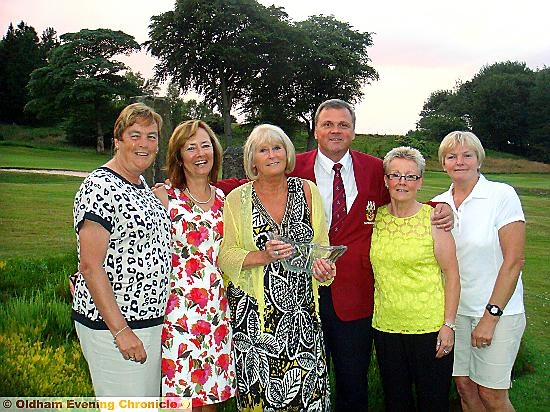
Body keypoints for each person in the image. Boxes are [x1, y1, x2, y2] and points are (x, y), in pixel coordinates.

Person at [288, 99, 454, 411]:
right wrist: (185, 185)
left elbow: (403, 198)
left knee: (353, 385)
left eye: (343, 125)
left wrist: (441, 207)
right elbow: (247, 186)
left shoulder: (374, 169)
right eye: (328, 124)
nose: (335, 130)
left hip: (356, 299)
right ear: (316, 130)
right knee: (300, 384)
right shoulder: (293, 166)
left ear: (353, 131)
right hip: (300, 298)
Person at [218, 124, 335, 411]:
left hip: (302, 318)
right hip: (255, 320)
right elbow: (226, 256)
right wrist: (264, 256)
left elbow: (321, 246)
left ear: (287, 152)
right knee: (261, 398)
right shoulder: (238, 199)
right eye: (263, 149)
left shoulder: (307, 191)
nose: (271, 155)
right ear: (252, 159)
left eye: (277, 147)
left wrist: (324, 269)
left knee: (307, 398)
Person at [72, 102, 171, 396]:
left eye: (151, 136)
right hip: (115, 327)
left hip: (149, 323)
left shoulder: (141, 185)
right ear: (117, 141)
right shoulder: (99, 187)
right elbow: (90, 266)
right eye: (135, 135)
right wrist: (121, 331)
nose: (145, 144)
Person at [432, 131, 526, 412]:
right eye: (451, 156)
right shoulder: (437, 204)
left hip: (498, 312)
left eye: (467, 155)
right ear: (443, 164)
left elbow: (514, 261)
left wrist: (490, 317)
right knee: (465, 389)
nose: (459, 161)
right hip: (455, 314)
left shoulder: (501, 195)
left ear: (479, 160)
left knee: (491, 395)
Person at [153, 120, 237, 410]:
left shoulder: (225, 200)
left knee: (211, 399)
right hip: (176, 315)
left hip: (216, 312)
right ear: (179, 156)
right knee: (182, 400)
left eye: (205, 145)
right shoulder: (165, 197)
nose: (200, 153)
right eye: (191, 147)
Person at [370, 146, 460, 411]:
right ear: (386, 179)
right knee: (396, 402)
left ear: (420, 181)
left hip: (429, 329)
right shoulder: (376, 218)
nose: (402, 182)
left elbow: (452, 275)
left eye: (410, 176)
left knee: (433, 401)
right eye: (395, 175)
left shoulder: (435, 219)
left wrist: (448, 325)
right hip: (386, 327)